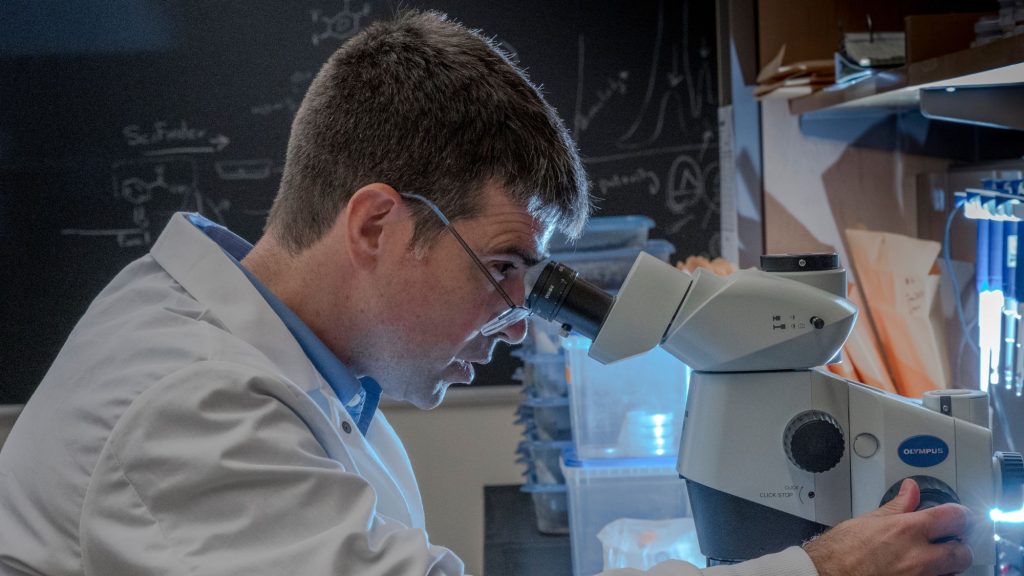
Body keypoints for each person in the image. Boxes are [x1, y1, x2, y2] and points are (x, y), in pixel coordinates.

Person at [0, 11, 972, 576]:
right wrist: (818, 566)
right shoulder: (192, 413)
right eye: (504, 265)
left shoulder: (266, 351)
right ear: (376, 224)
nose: (518, 316)